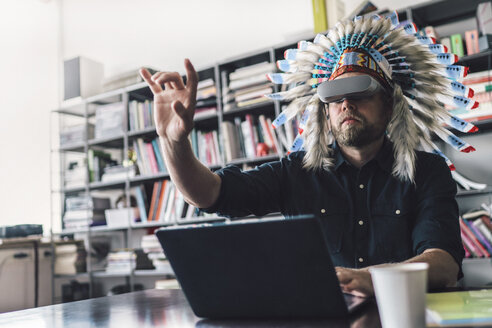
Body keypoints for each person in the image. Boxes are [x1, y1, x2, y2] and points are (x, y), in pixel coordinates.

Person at [139, 13, 475, 297]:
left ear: (389, 107)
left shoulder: (427, 171)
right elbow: (211, 194)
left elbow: (443, 263)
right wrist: (174, 143)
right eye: (335, 96)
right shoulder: (295, 172)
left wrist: (366, 279)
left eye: (361, 91)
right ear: (325, 112)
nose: (346, 103)